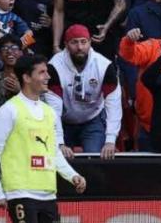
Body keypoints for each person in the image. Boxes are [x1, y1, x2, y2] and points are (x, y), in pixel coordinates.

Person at [0, 55, 86, 222]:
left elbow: (53, 151)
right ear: (26, 77)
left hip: (47, 193)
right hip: (20, 192)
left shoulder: (50, 112)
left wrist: (72, 175)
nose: (48, 76)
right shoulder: (8, 111)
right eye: (42, 72)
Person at [47, 25, 122, 159]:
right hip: (64, 121)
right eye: (74, 42)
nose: (80, 47)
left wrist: (110, 140)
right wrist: (59, 142)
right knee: (60, 160)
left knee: (94, 161)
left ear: (90, 42)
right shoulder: (54, 67)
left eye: (83, 42)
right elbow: (53, 109)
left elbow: (114, 104)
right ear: (66, 44)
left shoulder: (104, 65)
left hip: (93, 119)